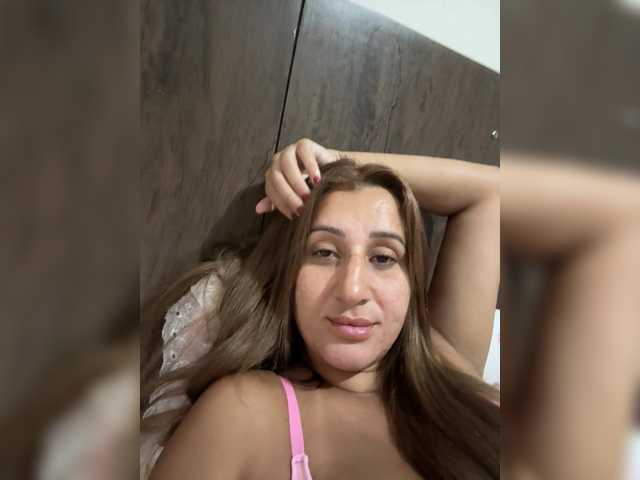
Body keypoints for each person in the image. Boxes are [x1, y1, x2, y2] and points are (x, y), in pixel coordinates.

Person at [141, 138, 500, 479]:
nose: (352, 290)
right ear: (288, 275)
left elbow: (494, 192)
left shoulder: (446, 367)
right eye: (324, 252)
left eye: (382, 257)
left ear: (411, 285)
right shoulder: (242, 414)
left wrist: (334, 161)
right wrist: (325, 174)